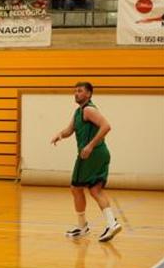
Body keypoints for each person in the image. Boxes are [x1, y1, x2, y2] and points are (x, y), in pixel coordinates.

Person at [51, 82, 121, 242]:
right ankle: (112, 224)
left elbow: (106, 126)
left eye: (80, 91)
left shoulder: (89, 109)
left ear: (88, 94)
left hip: (92, 154)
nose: (76, 93)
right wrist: (59, 135)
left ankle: (84, 227)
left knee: (76, 188)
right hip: (98, 154)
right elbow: (69, 130)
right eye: (75, 91)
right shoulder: (79, 112)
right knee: (95, 190)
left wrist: (89, 146)